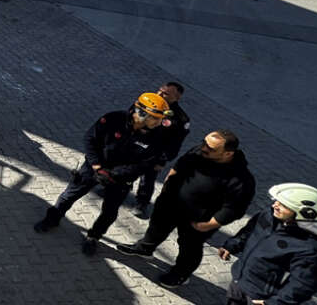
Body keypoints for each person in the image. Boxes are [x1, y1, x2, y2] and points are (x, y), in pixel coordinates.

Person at [33, 93, 171, 256]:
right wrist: (98, 167)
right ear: (140, 113)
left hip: (120, 180)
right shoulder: (113, 119)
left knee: (109, 212)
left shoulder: (157, 136)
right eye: (154, 118)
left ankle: (94, 237)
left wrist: (114, 174)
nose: (158, 122)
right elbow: (90, 139)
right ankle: (52, 220)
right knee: (68, 196)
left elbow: (145, 164)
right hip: (93, 168)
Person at [118, 130, 255, 288]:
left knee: (189, 247)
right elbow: (178, 167)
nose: (203, 148)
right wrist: (166, 190)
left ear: (228, 153)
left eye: (211, 148)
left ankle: (181, 274)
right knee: (157, 228)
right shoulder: (199, 152)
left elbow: (234, 209)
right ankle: (144, 248)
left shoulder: (242, 179)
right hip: (171, 204)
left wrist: (208, 225)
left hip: (200, 220)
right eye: (204, 143)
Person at [217, 183, 317, 305]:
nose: (275, 205)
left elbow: (303, 285)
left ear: (304, 212)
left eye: (283, 204)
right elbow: (250, 230)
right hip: (240, 282)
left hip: (262, 297)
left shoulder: (312, 250)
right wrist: (232, 245)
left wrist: (274, 302)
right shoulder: (269, 215)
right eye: (276, 201)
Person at [132, 82, 191, 219]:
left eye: (165, 93)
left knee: (147, 179)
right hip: (135, 146)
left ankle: (142, 203)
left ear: (177, 97)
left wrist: (162, 160)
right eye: (160, 90)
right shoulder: (148, 103)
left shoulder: (180, 119)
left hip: (154, 154)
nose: (159, 94)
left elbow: (175, 144)